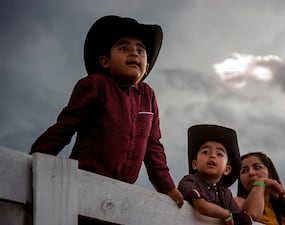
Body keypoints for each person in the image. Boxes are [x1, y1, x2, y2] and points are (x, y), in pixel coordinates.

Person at [30, 15, 183, 208]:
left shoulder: (148, 96)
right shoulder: (95, 85)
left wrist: (167, 186)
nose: (134, 53)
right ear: (105, 62)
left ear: (146, 69)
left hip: (122, 192)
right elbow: (65, 127)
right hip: (84, 180)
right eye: (123, 48)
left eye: (140, 50)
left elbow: (153, 146)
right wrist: (34, 158)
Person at [178, 124, 252, 225]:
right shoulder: (188, 181)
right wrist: (227, 215)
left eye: (219, 154)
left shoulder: (226, 194)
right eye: (205, 152)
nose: (212, 155)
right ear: (195, 164)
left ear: (227, 169)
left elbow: (239, 216)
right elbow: (202, 207)